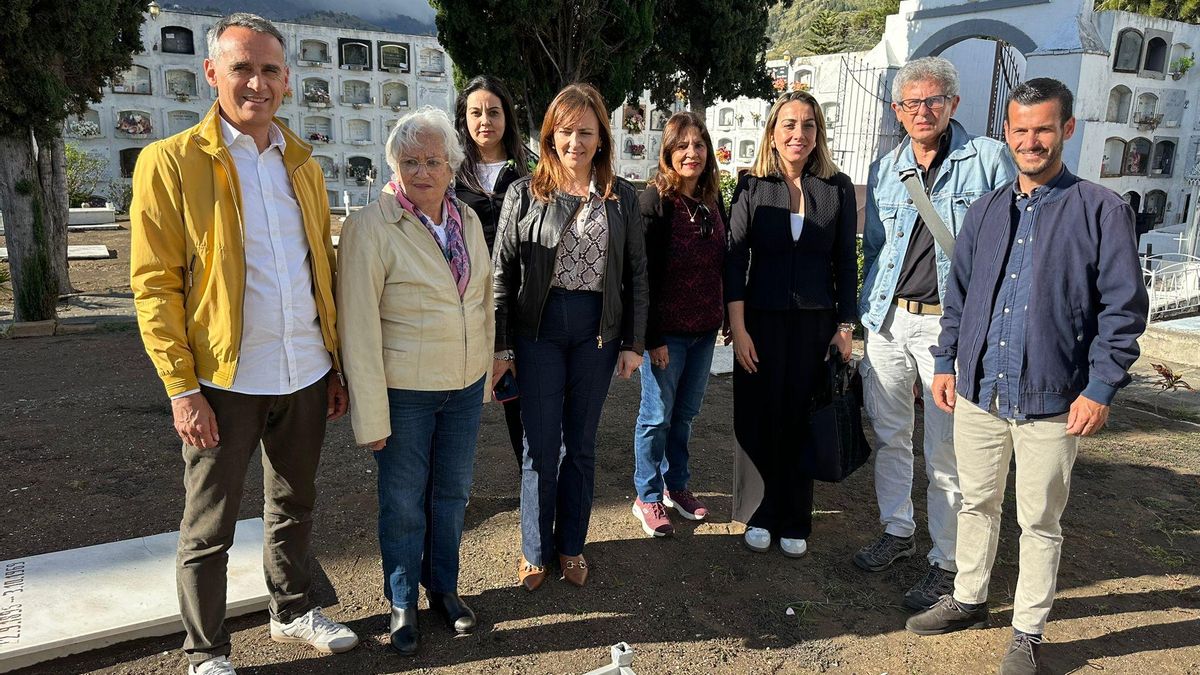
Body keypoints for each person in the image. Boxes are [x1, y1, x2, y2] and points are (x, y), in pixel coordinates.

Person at [129, 13, 357, 675]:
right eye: (242, 68)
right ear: (211, 73)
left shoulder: (302, 163)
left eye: (269, 70)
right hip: (223, 380)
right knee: (210, 524)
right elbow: (154, 285)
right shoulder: (169, 163)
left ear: (286, 81)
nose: (256, 83)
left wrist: (334, 363)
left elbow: (320, 267)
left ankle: (291, 610)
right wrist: (180, 387)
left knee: (294, 503)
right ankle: (206, 650)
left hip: (305, 371)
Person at [905, 79, 1148, 675]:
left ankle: (1028, 631)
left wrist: (1099, 387)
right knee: (976, 502)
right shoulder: (988, 209)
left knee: (1039, 519)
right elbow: (959, 295)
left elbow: (1123, 308)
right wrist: (945, 361)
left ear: (1066, 128)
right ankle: (968, 596)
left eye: (1043, 128)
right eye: (1020, 129)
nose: (1030, 141)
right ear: (1007, 134)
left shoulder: (1101, 210)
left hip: (1054, 399)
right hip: (981, 391)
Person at [854, 57, 1016, 610]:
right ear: (897, 111)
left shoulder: (989, 160)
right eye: (910, 103)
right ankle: (898, 530)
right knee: (891, 433)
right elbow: (876, 247)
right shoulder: (886, 167)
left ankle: (946, 561)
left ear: (953, 104)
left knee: (947, 450)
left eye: (932, 101)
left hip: (949, 327)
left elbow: (1014, 241)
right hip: (888, 322)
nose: (921, 112)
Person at [337, 106, 494, 657]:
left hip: (464, 385)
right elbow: (355, 327)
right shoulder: (369, 226)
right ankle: (402, 599)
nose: (422, 171)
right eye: (410, 161)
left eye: (433, 160)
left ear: (452, 166)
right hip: (404, 392)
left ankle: (443, 588)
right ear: (394, 166)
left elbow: (480, 302)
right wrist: (371, 416)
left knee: (451, 496)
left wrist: (487, 373)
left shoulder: (468, 221)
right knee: (403, 500)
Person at [493, 82, 648, 590]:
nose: (575, 142)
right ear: (550, 136)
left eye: (586, 131)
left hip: (596, 335)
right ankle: (534, 550)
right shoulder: (524, 192)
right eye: (565, 132)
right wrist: (502, 345)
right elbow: (502, 273)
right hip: (537, 330)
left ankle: (571, 546)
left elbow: (636, 275)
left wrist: (633, 343)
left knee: (580, 444)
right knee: (540, 446)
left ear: (602, 137)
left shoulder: (622, 197)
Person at [727, 90, 858, 559]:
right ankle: (760, 511)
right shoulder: (750, 186)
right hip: (759, 321)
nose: (798, 134)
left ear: (818, 133)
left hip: (815, 323)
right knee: (762, 414)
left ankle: (795, 516)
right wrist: (738, 329)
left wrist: (846, 324)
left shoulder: (836, 187)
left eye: (807, 125)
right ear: (773, 132)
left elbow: (846, 262)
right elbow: (735, 259)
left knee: (804, 416)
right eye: (789, 124)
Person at [630, 111, 727, 538]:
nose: (692, 153)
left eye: (699, 145)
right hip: (667, 335)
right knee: (656, 416)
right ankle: (646, 496)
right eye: (682, 146)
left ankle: (677, 485)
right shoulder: (654, 201)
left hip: (704, 330)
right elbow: (642, 275)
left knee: (685, 415)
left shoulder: (711, 199)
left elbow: (719, 262)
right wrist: (651, 339)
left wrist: (723, 312)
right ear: (668, 152)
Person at [453, 75, 532, 467]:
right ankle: (451, 491)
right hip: (462, 302)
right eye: (476, 112)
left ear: (508, 118)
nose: (485, 120)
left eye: (494, 111)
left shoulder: (530, 172)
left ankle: (533, 483)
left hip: (516, 301)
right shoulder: (450, 171)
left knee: (520, 403)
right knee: (457, 402)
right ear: (464, 118)